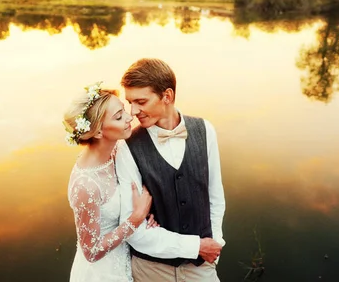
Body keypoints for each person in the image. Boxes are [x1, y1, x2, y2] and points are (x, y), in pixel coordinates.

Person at [116, 58, 226, 281]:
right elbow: (133, 227)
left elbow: (215, 195)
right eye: (130, 102)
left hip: (202, 267)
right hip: (150, 269)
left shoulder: (206, 130)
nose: (133, 111)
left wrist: (215, 244)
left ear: (167, 96)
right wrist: (196, 246)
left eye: (141, 101)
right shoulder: (126, 146)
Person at [63, 82, 153, 282]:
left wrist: (149, 214)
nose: (130, 117)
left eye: (123, 110)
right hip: (102, 274)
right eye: (119, 117)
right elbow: (91, 252)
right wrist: (136, 219)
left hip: (128, 257)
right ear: (97, 132)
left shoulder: (118, 149)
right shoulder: (85, 186)